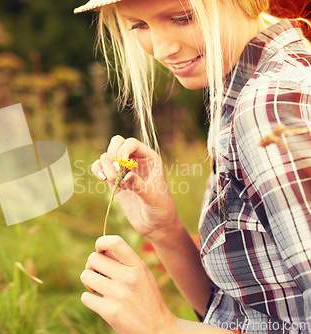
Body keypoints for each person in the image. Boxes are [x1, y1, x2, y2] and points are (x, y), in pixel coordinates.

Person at [74, 0, 311, 333]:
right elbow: (238, 314)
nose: (161, 48)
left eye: (183, 17)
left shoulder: (268, 106)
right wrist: (164, 228)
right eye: (139, 25)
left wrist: (163, 327)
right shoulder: (246, 85)